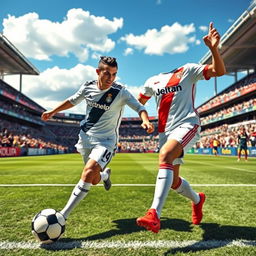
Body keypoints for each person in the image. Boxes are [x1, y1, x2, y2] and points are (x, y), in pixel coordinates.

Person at [136, 22, 226, 233]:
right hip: (164, 132)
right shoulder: (153, 81)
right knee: (174, 180)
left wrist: (213, 49)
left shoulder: (188, 69)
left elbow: (219, 71)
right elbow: (140, 101)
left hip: (188, 123)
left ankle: (154, 214)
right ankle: (197, 199)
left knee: (166, 155)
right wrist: (144, 119)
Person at [41, 56, 154, 220]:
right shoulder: (88, 87)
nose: (111, 78)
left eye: (114, 74)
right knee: (93, 179)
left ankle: (61, 217)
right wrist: (53, 111)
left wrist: (145, 120)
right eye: (107, 73)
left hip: (106, 141)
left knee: (88, 173)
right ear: (98, 72)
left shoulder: (120, 91)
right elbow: (72, 100)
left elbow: (140, 107)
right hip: (86, 138)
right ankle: (105, 176)